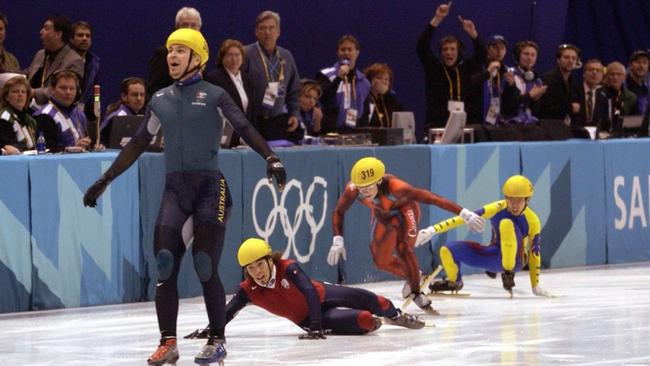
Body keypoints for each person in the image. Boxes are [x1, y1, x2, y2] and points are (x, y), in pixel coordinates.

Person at [82, 29, 287, 366]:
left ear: (197, 58)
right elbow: (136, 143)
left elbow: (245, 127)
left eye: (180, 50)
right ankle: (168, 342)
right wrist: (105, 179)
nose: (172, 57)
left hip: (210, 189)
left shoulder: (215, 94)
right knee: (164, 264)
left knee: (205, 265)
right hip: (176, 191)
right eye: (169, 51)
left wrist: (271, 157)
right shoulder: (160, 99)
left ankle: (217, 339)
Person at [327, 157, 484, 313]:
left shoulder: (398, 188)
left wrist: (465, 214)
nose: (364, 192)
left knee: (403, 248)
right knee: (381, 261)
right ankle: (415, 274)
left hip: (406, 212)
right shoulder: (353, 189)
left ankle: (416, 292)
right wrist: (337, 239)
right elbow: (339, 211)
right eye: (361, 188)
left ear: (379, 181)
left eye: (368, 187)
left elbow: (432, 198)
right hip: (382, 215)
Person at [186, 238, 425, 340]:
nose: (256, 271)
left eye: (260, 264)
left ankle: (396, 316)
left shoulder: (287, 267)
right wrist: (211, 330)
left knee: (379, 303)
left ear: (270, 260)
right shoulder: (248, 289)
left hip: (323, 295)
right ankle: (378, 320)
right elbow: (228, 311)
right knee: (365, 321)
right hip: (308, 318)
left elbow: (309, 292)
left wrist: (316, 326)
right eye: (250, 268)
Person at [416, 175, 552, 298]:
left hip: (516, 261)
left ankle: (508, 272)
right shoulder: (497, 208)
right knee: (448, 249)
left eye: (519, 200)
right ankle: (454, 282)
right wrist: (432, 230)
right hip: (494, 257)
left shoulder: (533, 220)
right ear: (505, 198)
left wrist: (535, 285)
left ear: (527, 200)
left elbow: (535, 253)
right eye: (510, 199)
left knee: (506, 224)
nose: (514, 205)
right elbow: (465, 217)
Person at [416, 1, 486, 129]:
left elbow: (482, 54)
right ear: (441, 53)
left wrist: (472, 33)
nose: (449, 52)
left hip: (463, 124)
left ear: (458, 52)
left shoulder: (465, 68)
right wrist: (437, 19)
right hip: (437, 124)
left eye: (452, 49)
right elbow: (422, 47)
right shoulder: (435, 68)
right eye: (445, 49)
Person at [243, 10, 302, 143]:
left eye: (271, 28)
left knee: (276, 161)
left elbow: (294, 90)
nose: (267, 32)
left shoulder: (286, 56)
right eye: (263, 28)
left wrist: (294, 113)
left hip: (277, 120)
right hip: (253, 121)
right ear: (256, 32)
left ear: (278, 31)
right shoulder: (246, 54)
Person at [205, 39, 256, 148]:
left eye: (237, 55)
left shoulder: (248, 80)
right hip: (224, 137)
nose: (234, 59)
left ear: (242, 57)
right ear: (222, 57)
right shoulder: (214, 78)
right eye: (229, 55)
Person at [25, 14, 84, 107]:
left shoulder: (74, 60)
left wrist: (33, 93)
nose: (41, 32)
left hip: (55, 112)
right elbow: (27, 74)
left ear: (58, 34)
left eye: (46, 29)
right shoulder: (40, 54)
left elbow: (64, 89)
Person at [316, 34, 370, 133]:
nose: (346, 53)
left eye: (350, 49)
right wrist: (338, 79)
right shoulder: (326, 75)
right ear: (338, 52)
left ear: (357, 53)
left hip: (355, 134)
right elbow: (323, 98)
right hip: (330, 132)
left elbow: (366, 113)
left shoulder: (364, 82)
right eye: (343, 49)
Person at [146, 6, 202, 99]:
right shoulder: (164, 53)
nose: (189, 28)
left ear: (199, 29)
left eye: (193, 25)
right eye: (185, 25)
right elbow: (155, 89)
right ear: (177, 28)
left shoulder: (201, 54)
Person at [33, 70, 91, 152]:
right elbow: (46, 149)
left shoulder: (79, 113)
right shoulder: (45, 115)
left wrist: (94, 146)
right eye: (63, 88)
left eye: (72, 89)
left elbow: (87, 143)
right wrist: (72, 149)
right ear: (52, 90)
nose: (68, 92)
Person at [500, 41, 546, 124]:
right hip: (510, 123)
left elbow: (537, 111)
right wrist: (529, 96)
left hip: (530, 124)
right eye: (526, 54)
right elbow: (507, 105)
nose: (529, 58)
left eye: (533, 55)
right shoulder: (509, 75)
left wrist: (536, 99)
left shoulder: (537, 80)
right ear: (518, 56)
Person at [537, 44, 581, 122]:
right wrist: (570, 107)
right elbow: (547, 106)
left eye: (574, 58)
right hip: (549, 124)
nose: (570, 61)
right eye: (566, 57)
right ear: (558, 60)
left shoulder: (574, 81)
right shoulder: (548, 79)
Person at [69, 21, 100, 123]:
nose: (84, 38)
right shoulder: (64, 60)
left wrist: (96, 107)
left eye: (88, 36)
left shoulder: (94, 62)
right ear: (71, 39)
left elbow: (96, 92)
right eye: (80, 35)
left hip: (85, 114)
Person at [99, 77, 146, 144]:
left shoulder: (140, 116)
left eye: (142, 95)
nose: (139, 98)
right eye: (134, 95)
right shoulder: (119, 117)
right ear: (124, 97)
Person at [570, 59, 609, 136]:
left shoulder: (603, 96)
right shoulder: (573, 91)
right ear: (584, 74)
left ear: (602, 76)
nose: (594, 73)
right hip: (574, 135)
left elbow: (604, 122)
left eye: (598, 71)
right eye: (591, 70)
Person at [358, 63, 403, 128]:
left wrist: (387, 93)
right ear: (370, 80)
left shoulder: (390, 100)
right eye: (379, 78)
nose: (384, 82)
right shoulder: (363, 98)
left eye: (386, 79)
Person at [0, 76, 37, 155]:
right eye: (15, 91)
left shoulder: (30, 120)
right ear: (6, 97)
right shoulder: (4, 118)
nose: (20, 94)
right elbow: (9, 148)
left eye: (23, 92)